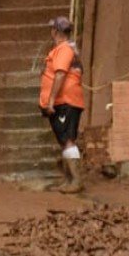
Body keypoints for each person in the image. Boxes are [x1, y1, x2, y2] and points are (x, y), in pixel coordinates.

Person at [39, 14, 86, 192]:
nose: (51, 31)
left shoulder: (64, 49)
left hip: (65, 101)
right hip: (66, 101)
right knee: (65, 139)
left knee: (67, 140)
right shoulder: (66, 49)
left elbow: (60, 74)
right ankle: (69, 180)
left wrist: (50, 101)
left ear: (56, 31)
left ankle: (76, 181)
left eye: (52, 28)